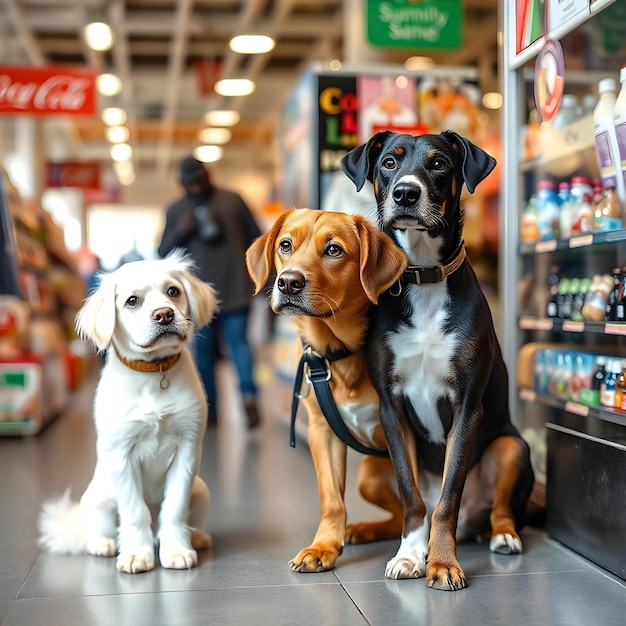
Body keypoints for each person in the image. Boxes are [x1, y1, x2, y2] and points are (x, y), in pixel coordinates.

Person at [158, 156, 262, 429]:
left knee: (236, 346)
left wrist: (264, 278)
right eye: (191, 183)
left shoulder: (232, 200)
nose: (196, 187)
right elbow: (161, 252)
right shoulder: (178, 211)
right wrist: (182, 230)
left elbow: (257, 238)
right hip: (198, 299)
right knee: (209, 352)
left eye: (199, 180)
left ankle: (247, 398)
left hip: (235, 289)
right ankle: (213, 407)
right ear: (183, 183)